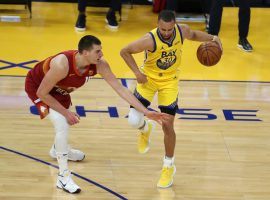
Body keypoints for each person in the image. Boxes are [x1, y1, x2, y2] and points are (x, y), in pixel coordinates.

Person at [25, 35, 165, 194]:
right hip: (38, 89)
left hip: (60, 92)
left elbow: (120, 89)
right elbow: (42, 93)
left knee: (63, 124)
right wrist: (66, 113)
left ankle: (57, 150)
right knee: (62, 123)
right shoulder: (61, 65)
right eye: (98, 51)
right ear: (84, 53)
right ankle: (63, 177)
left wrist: (145, 111)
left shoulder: (100, 65)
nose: (102, 54)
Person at [120, 10, 222, 188]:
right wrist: (137, 73)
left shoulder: (182, 31)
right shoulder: (149, 40)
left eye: (169, 29)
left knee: (168, 125)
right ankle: (145, 128)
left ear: (174, 24)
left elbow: (195, 34)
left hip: (170, 82)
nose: (166, 33)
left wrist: (212, 38)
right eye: (163, 29)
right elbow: (124, 51)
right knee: (133, 120)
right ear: (157, 25)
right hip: (149, 80)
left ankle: (168, 166)